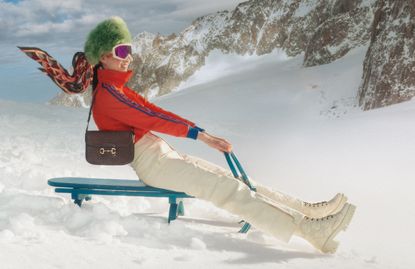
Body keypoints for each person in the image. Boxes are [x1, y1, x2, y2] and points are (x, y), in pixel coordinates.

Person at [20, 16, 356, 254]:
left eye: (129, 51)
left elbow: (158, 112)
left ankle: (310, 212)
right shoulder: (109, 95)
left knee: (231, 180)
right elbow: (150, 117)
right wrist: (201, 137)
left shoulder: (118, 89)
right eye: (122, 52)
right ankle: (311, 232)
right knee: (227, 190)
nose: (129, 58)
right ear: (104, 56)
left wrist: (200, 131)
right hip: (154, 164)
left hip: (163, 157)